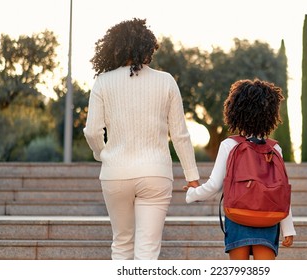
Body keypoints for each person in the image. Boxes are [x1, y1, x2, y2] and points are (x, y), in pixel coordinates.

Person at [83, 18, 200, 260]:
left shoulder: (103, 82)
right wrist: (192, 176)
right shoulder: (166, 81)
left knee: (121, 244)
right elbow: (180, 134)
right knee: (147, 251)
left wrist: (102, 154)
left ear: (114, 47)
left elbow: (92, 131)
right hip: (155, 173)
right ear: (147, 47)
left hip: (115, 173)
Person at [184, 78, 296, 260]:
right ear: (271, 114)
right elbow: (281, 190)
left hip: (237, 217)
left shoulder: (229, 145)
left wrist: (192, 193)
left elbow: (214, 186)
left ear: (235, 111)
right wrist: (288, 228)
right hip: (268, 218)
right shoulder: (275, 148)